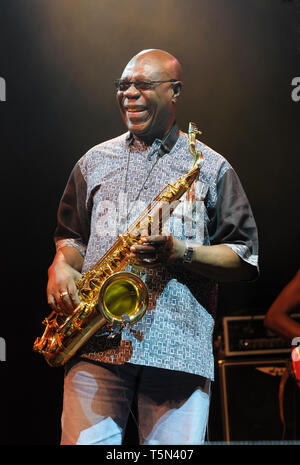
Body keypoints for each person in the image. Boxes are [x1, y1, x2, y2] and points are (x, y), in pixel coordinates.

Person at [47, 49, 259, 445]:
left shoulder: (211, 167)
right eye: (123, 85)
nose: (129, 93)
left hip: (178, 351)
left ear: (174, 91)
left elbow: (244, 256)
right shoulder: (93, 160)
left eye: (142, 84)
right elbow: (71, 237)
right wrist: (61, 265)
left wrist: (183, 252)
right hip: (97, 344)